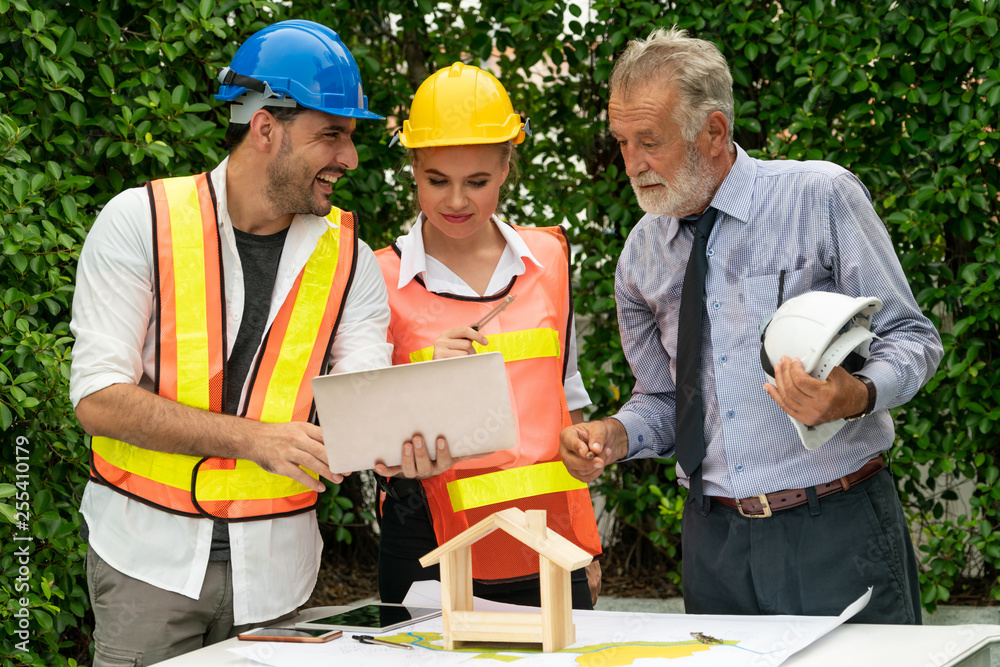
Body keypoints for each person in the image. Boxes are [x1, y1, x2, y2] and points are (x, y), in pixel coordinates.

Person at [559, 28, 943, 624]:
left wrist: (856, 395)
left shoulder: (821, 196)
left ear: (713, 132)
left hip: (834, 527)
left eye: (649, 142)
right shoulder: (640, 255)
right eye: (622, 142)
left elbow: (913, 339)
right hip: (714, 545)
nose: (631, 164)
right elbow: (666, 400)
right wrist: (615, 435)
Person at [69, 20, 392, 665]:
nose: (349, 159)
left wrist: (400, 438)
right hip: (146, 568)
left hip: (279, 581)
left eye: (350, 139)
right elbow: (98, 399)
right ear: (265, 127)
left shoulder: (351, 258)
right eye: (332, 134)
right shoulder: (140, 222)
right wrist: (252, 439)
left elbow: (364, 408)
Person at [372, 62, 603, 609]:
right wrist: (421, 378)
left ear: (505, 168)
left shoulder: (547, 258)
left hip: (549, 542)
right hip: (428, 542)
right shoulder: (378, 276)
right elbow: (360, 435)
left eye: (477, 181)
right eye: (437, 181)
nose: (456, 201)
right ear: (413, 170)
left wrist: (588, 548)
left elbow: (563, 402)